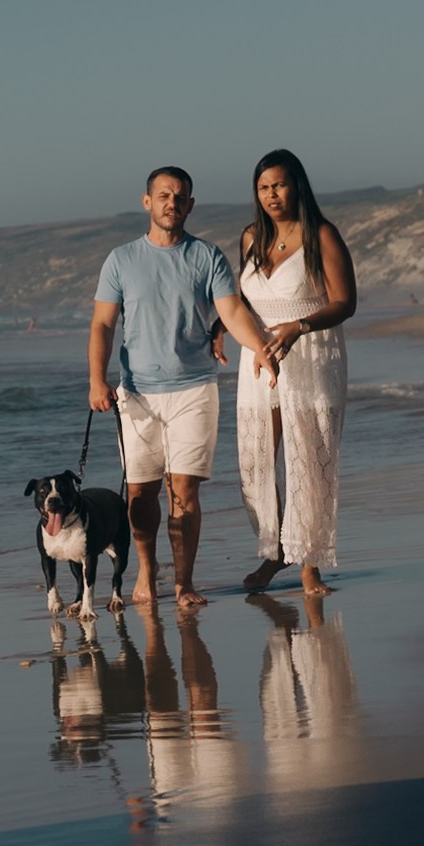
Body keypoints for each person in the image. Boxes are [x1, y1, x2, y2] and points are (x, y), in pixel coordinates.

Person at [89, 166, 276, 610]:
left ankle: (184, 582)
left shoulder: (206, 257)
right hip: (136, 394)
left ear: (190, 205)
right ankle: (148, 570)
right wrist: (97, 379)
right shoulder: (121, 260)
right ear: (147, 202)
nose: (172, 203)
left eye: (181, 197)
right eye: (164, 195)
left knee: (184, 490)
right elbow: (102, 323)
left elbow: (231, 312)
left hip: (194, 388)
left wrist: (261, 348)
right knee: (140, 493)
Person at [231, 149, 356, 596]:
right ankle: (275, 551)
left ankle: (310, 562)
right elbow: (243, 301)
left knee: (308, 459)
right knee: (258, 459)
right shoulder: (249, 238)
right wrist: (217, 328)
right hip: (260, 357)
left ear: (296, 185)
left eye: (279, 185)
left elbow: (345, 302)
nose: (271, 195)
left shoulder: (322, 235)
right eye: (263, 187)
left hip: (311, 353)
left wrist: (300, 327)